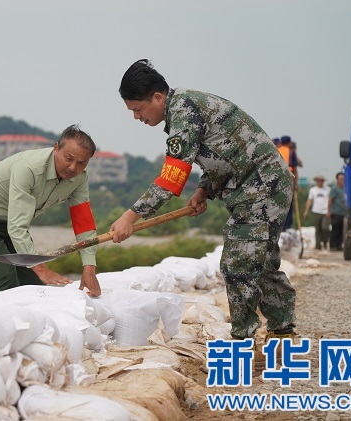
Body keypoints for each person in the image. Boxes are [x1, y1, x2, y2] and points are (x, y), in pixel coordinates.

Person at [109, 59, 297, 352]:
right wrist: (204, 189)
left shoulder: (184, 111)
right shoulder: (185, 106)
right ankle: (283, 336)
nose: (137, 117)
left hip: (261, 188)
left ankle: (245, 346)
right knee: (259, 264)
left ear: (158, 97)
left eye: (138, 110)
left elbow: (171, 179)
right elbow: (225, 151)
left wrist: (130, 216)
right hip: (260, 186)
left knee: (238, 264)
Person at [0, 124, 102, 298]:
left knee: (31, 282)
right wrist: (43, 270)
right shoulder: (28, 167)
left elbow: (83, 223)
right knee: (6, 277)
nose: (72, 168)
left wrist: (89, 268)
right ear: (56, 148)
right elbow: (18, 226)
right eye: (68, 158)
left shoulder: (80, 178)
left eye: (81, 163)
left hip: (9, 222)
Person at [303, 175, 331, 250]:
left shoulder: (328, 189)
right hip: (316, 211)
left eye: (321, 181)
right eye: (318, 180)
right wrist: (306, 211)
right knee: (317, 229)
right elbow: (309, 200)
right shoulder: (313, 190)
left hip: (325, 212)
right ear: (316, 181)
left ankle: (325, 242)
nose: (320, 182)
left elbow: (330, 201)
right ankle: (318, 245)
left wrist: (329, 210)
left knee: (325, 228)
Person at [277, 136, 297, 231]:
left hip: (276, 180)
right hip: (287, 179)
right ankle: (286, 225)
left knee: (278, 203)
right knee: (288, 203)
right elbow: (294, 168)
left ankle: (278, 224)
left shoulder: (275, 150)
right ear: (289, 143)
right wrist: (295, 184)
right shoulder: (291, 152)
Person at [328, 172, 346, 251]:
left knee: (342, 230)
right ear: (337, 180)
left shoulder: (345, 188)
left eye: (343, 179)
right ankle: (332, 245)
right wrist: (328, 211)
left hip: (344, 213)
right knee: (335, 229)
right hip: (336, 212)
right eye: (341, 179)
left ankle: (339, 245)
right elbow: (330, 200)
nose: (342, 180)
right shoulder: (334, 189)